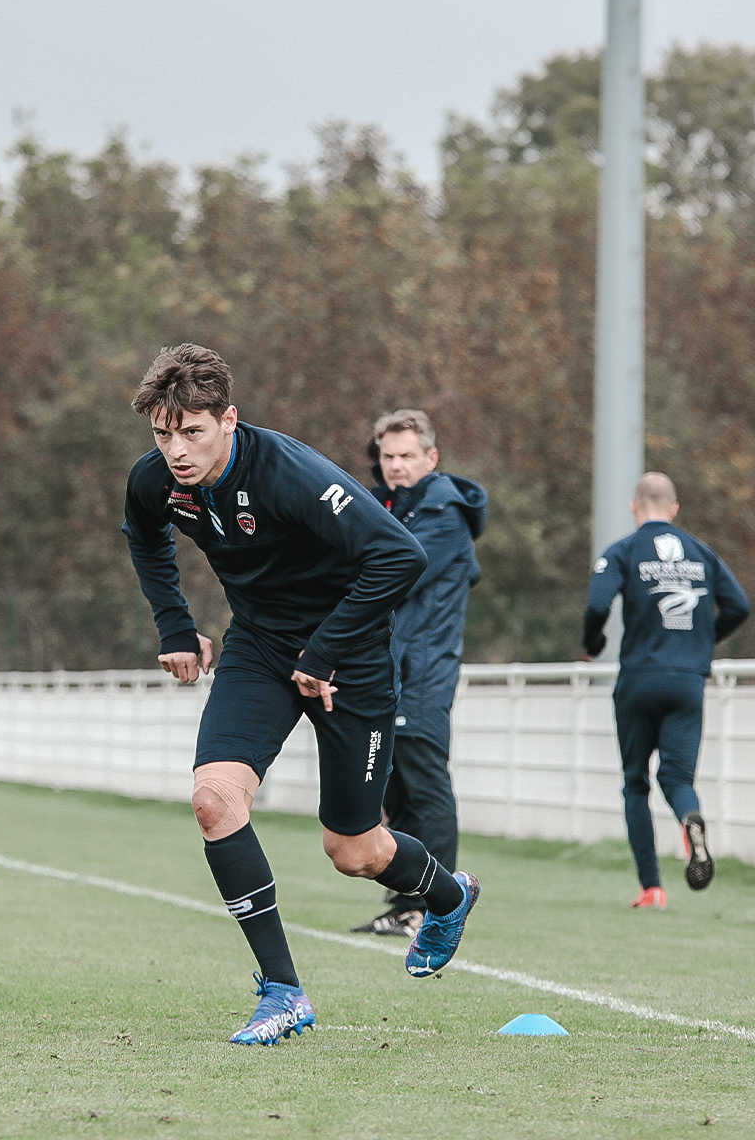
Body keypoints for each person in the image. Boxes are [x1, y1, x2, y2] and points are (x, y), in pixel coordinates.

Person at [123, 344, 480, 1046]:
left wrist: (327, 648)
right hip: (257, 648)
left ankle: (448, 894)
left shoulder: (289, 473)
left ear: (229, 419)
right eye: (163, 434)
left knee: (353, 850)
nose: (176, 450)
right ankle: (283, 991)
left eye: (192, 432)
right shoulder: (156, 481)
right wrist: (176, 624)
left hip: (350, 657)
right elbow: (143, 535)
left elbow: (399, 556)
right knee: (213, 800)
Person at [583, 472, 750, 909]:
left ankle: (652, 887)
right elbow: (740, 605)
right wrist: (701, 641)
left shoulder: (624, 550)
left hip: (639, 679)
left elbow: (598, 604)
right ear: (674, 509)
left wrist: (593, 644)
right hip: (688, 681)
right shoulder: (701, 552)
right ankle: (690, 820)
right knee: (676, 778)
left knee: (635, 783)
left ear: (634, 508)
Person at [351, 410, 487, 937]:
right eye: (388, 456)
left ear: (431, 459)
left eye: (408, 456)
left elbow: (391, 575)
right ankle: (407, 902)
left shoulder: (442, 515)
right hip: (391, 671)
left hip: (424, 673)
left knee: (426, 785)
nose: (396, 466)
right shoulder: (391, 509)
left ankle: (437, 906)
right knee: (399, 792)